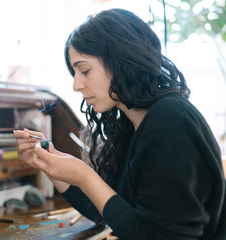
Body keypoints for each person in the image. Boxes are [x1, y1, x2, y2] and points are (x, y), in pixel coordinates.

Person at [13, 8, 226, 240]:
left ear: (122, 62)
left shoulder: (170, 124)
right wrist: (53, 169)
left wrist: (85, 176)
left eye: (84, 70)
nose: (76, 85)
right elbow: (113, 212)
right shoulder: (132, 124)